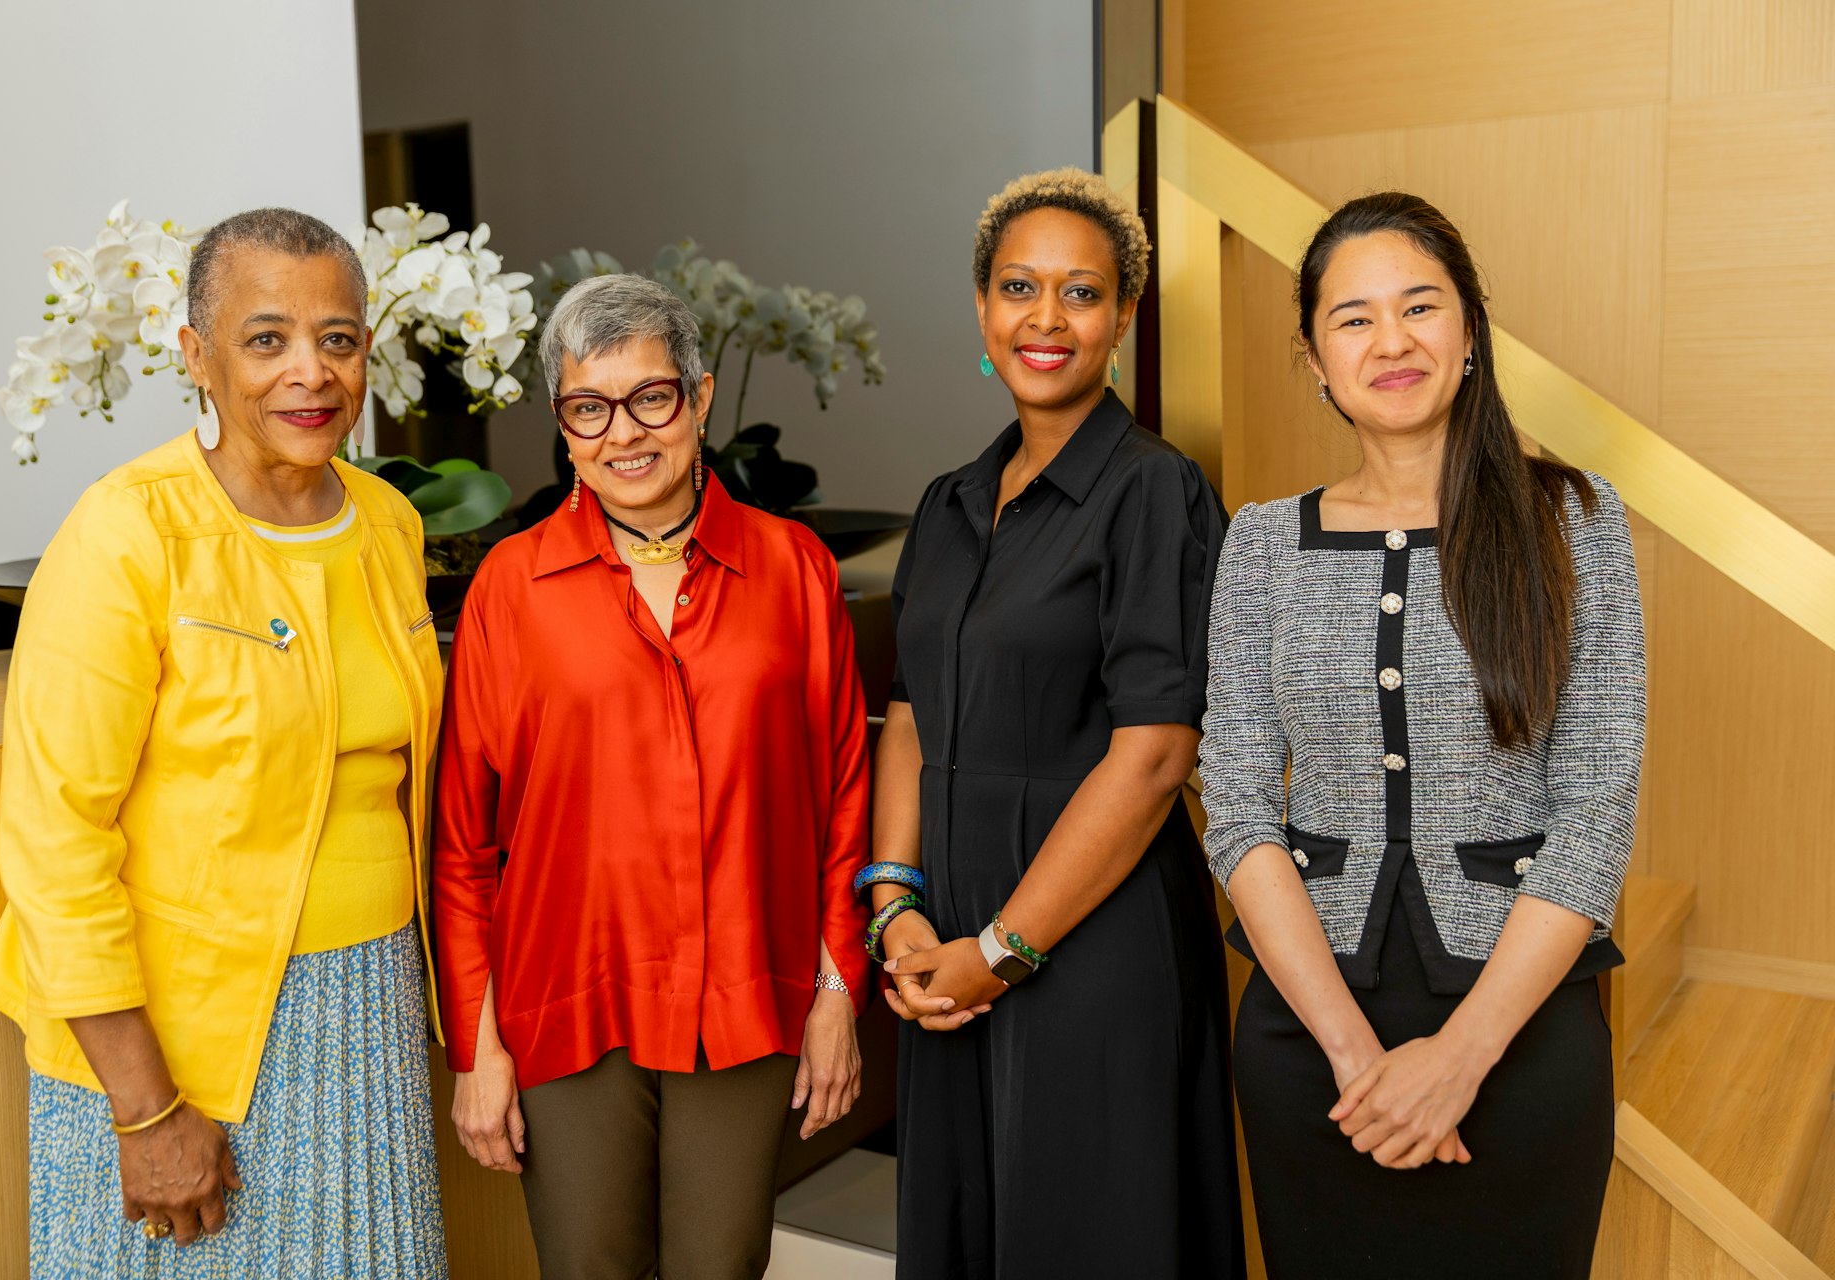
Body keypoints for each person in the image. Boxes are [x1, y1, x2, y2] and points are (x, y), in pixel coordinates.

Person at [0, 207, 448, 1277]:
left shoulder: (388, 523)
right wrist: (145, 1110)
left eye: (338, 338)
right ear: (196, 354)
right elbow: (54, 841)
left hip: (364, 1016)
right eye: (265, 337)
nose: (309, 373)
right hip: (169, 1043)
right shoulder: (126, 530)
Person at [1199, 192, 1646, 1278]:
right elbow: (1238, 802)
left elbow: (1595, 809)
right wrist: (1356, 1056)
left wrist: (1459, 1056)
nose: (1389, 340)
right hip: (1312, 1047)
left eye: (1418, 306)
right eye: (1351, 318)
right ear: (1313, 356)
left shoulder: (1575, 521)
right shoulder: (1261, 544)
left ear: (1470, 332)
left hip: (1523, 1039)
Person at [432, 273, 871, 1280]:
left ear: (702, 397)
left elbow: (846, 792)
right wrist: (478, 1046)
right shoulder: (513, 583)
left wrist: (839, 989)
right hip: (566, 1007)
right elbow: (465, 845)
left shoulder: (793, 566)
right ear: (564, 423)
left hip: (746, 1001)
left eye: (651, 397)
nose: (622, 432)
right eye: (590, 407)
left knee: (722, 1267)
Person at [870, 168, 1244, 1278]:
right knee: (968, 1230)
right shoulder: (944, 502)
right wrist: (897, 906)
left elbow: (1159, 752)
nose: (1046, 318)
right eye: (1018, 287)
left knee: (1087, 1235)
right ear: (981, 310)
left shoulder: (1154, 490)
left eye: (1080, 293)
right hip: (943, 941)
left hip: (1093, 937)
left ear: (1123, 317)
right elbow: (905, 717)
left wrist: (1003, 948)